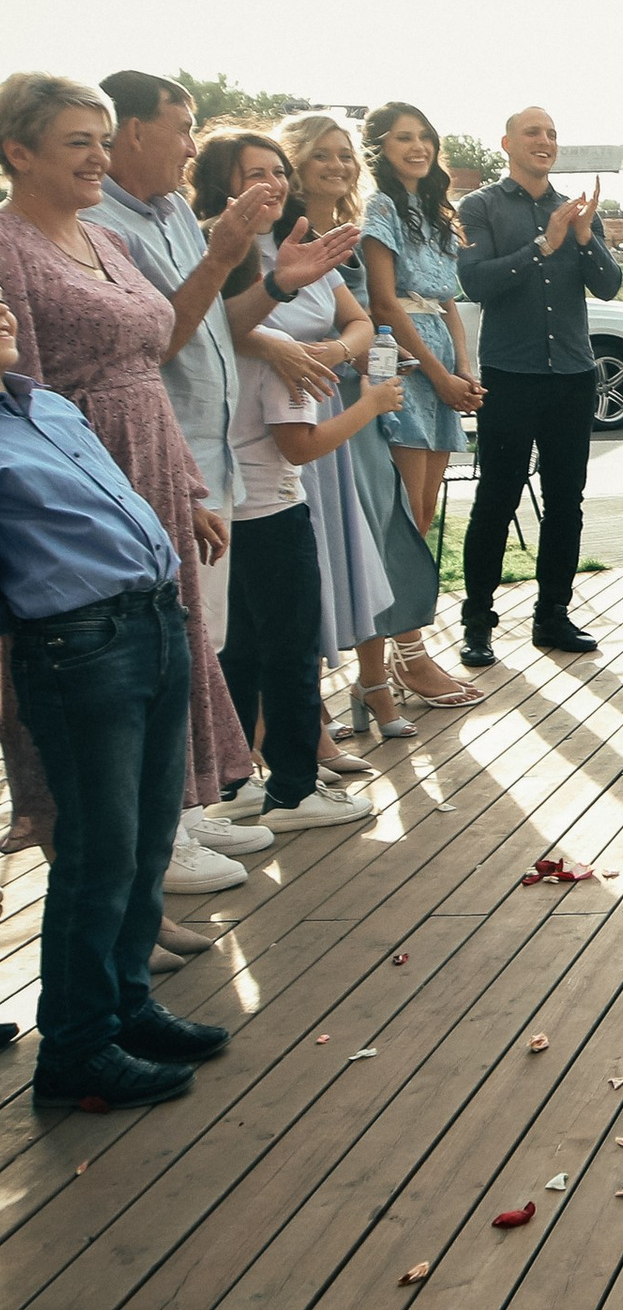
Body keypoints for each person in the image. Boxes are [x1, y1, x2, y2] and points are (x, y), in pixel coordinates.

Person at [90, 69, 359, 891]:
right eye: (181, 124)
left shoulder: (169, 211)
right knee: (182, 649)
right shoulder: (106, 225)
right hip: (157, 461)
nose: (189, 140)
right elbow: (158, 345)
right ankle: (165, 836)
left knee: (203, 645)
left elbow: (221, 326)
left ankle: (189, 813)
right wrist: (227, 258)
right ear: (132, 131)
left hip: (210, 464)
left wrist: (277, 284)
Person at [0, 74, 255, 826]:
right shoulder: (7, 246)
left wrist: (185, 486)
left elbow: (149, 369)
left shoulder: (106, 238)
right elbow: (23, 400)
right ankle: (95, 870)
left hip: (151, 474)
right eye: (78, 143)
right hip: (81, 490)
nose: (98, 160)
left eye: (103, 143)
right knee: (96, 683)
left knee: (163, 667)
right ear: (18, 152)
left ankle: (156, 859)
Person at [0, 288, 233, 1109]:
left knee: (141, 843)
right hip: (76, 646)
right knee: (96, 855)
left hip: (152, 621)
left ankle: (125, 1002)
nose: (2, 309)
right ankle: (75, 1048)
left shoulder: (48, 409)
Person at [215, 178, 410, 831]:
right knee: (289, 647)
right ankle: (295, 788)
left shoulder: (237, 336)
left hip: (230, 498)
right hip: (271, 504)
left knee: (237, 647)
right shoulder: (286, 348)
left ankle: (235, 780)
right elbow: (301, 445)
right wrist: (371, 404)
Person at [273, 110, 450, 732]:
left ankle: (372, 682)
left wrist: (368, 359)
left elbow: (364, 324)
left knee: (380, 534)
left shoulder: (346, 226)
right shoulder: (282, 234)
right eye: (323, 154)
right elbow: (372, 309)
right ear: (295, 162)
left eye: (344, 155)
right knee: (321, 548)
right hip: (308, 404)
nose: (338, 165)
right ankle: (317, 700)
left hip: (364, 399)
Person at [455, 106, 619, 666]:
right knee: (496, 500)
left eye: (552, 133)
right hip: (510, 375)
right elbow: (475, 283)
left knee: (565, 503)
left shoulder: (574, 209)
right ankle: (478, 622)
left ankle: (553, 616)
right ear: (506, 143)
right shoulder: (479, 207)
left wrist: (582, 237)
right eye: (533, 132)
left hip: (572, 376)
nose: (545, 141)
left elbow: (610, 286)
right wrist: (543, 246)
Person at [357, 100, 485, 711]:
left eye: (424, 137)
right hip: (401, 357)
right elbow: (384, 301)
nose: (417, 147)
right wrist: (436, 373)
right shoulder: (379, 207)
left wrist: (464, 368)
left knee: (426, 510)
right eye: (402, 138)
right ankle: (401, 659)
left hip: (438, 354)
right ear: (379, 147)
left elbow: (449, 301)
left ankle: (399, 653)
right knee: (404, 517)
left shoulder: (435, 212)